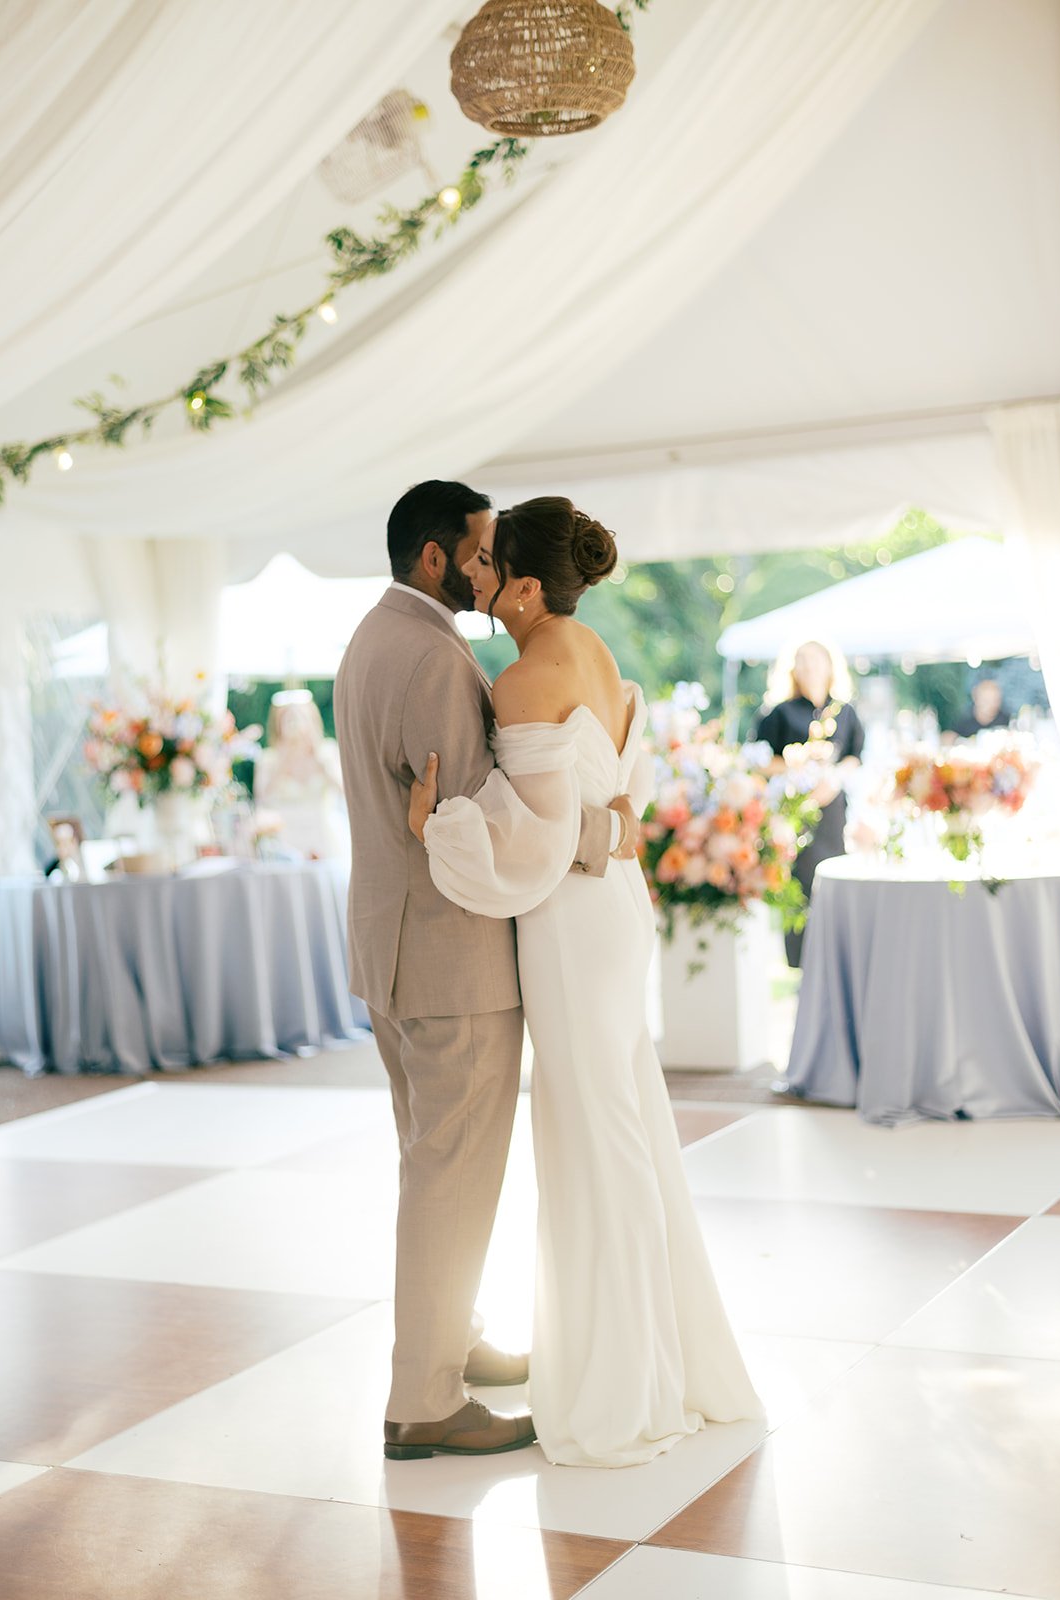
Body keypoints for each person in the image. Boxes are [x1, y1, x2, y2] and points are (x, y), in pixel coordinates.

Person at [408, 497, 762, 1468]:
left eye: (488, 564)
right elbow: (613, 818)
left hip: (569, 927)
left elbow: (534, 844)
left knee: (595, 1136)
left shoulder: (522, 679)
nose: (472, 573)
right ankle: (656, 1363)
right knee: (625, 1122)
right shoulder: (597, 653)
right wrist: (599, 834)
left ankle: (623, 1390)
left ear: (526, 587)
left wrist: (439, 827)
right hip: (616, 914)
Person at [334, 482, 636, 1463]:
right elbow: (489, 817)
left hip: (392, 948)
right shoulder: (433, 657)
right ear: (433, 557)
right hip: (450, 956)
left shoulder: (372, 637)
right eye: (473, 553)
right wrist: (605, 833)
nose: (484, 570)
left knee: (433, 1161)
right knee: (451, 1175)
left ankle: (451, 1340)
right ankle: (425, 1397)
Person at [756, 640, 865, 968]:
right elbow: (761, 760)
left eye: (815, 660)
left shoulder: (845, 712)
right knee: (801, 885)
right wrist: (797, 766)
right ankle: (801, 962)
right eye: (801, 661)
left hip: (833, 814)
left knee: (836, 880)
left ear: (830, 666)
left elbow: (855, 756)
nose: (809, 667)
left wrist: (833, 778)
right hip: (795, 816)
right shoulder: (779, 712)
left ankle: (839, 958)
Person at [254, 690, 347, 859]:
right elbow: (261, 800)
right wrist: (284, 760)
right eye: (287, 718)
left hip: (324, 837)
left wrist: (318, 758)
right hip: (285, 841)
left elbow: (344, 791)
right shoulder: (269, 759)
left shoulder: (327, 751)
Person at [951, 676, 1010, 741]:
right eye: (986, 700)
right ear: (975, 698)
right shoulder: (964, 720)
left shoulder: (1006, 721)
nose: (991, 705)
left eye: (995, 700)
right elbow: (950, 736)